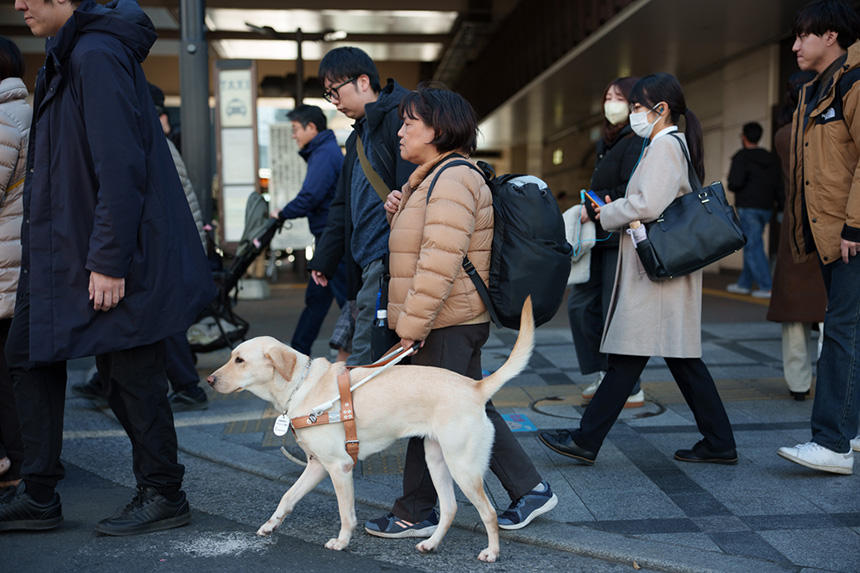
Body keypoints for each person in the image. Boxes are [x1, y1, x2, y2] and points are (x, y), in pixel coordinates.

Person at [0, 0, 214, 535]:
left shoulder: (94, 54)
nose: (19, 3)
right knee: (27, 355)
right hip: (60, 254)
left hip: (103, 255)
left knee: (130, 374)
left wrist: (110, 261)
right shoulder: (69, 50)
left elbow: (120, 166)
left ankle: (163, 491)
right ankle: (39, 491)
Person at [364, 84, 556, 539]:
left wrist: (410, 327)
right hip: (449, 318)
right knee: (468, 404)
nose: (400, 131)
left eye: (410, 122)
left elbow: (439, 261)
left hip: (445, 321)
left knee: (424, 413)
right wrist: (400, 209)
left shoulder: (452, 178)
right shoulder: (436, 178)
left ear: (439, 129)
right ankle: (530, 489)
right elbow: (423, 246)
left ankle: (415, 510)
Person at [538, 73, 738, 466]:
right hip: (661, 271)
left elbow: (648, 205)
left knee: (632, 357)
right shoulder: (665, 144)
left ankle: (586, 439)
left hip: (657, 273)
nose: (631, 113)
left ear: (660, 109)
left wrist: (609, 212)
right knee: (672, 360)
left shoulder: (665, 147)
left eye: (636, 106)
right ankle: (718, 442)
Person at [71, 82, 212, 412]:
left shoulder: (153, 144)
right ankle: (103, 382)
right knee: (155, 321)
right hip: (172, 252)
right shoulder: (149, 142)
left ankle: (188, 387)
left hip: (173, 253)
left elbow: (170, 207)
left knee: (164, 323)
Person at [777, 0, 860, 474]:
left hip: (851, 234)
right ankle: (849, 430)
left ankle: (832, 442)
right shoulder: (818, 90)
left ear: (830, 36)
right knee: (851, 331)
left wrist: (854, 225)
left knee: (842, 333)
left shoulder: (853, 83)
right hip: (833, 234)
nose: (795, 45)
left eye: (803, 36)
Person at [307, 46, 415, 365]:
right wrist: (324, 259)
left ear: (363, 81)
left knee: (370, 362)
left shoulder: (403, 117)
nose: (334, 102)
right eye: (328, 95)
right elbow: (342, 204)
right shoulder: (356, 138)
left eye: (335, 91)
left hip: (390, 260)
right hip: (367, 263)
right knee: (374, 356)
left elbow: (417, 184)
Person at [571, 77, 645, 408]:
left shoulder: (638, 140)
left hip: (621, 237)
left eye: (618, 97)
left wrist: (592, 204)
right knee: (583, 304)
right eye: (607, 96)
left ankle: (628, 384)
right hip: (602, 235)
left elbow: (632, 190)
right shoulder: (609, 141)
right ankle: (605, 373)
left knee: (612, 307)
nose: (610, 103)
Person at [767, 71, 826, 402]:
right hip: (831, 226)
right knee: (833, 311)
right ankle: (834, 380)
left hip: (794, 228)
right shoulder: (828, 131)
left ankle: (798, 383)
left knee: (794, 314)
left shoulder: (783, 134)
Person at [273, 104, 347, 356]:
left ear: (312, 127)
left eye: (295, 129)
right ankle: (298, 352)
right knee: (317, 299)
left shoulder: (324, 154)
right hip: (328, 237)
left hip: (332, 240)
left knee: (349, 302)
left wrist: (282, 213)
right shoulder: (323, 151)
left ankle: (356, 357)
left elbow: (311, 196)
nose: (293, 135)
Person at [0, 36, 29, 495]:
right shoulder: (26, 110)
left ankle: (14, 462)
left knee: (6, 373)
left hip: (5, 265)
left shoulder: (4, 119)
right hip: (20, 261)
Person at [725, 121, 784, 298]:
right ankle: (744, 284)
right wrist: (781, 206)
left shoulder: (741, 157)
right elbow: (779, 185)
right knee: (753, 244)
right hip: (767, 208)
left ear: (744, 136)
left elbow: (734, 183)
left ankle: (767, 286)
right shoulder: (771, 158)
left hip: (748, 207)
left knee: (753, 246)